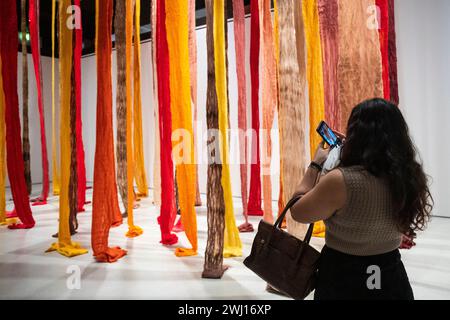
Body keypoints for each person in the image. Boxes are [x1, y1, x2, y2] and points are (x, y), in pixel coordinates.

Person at [290, 98, 433, 300]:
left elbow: (297, 211)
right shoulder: (409, 177)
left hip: (342, 277)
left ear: (355, 134)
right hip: (389, 274)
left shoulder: (340, 181)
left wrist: (316, 163)